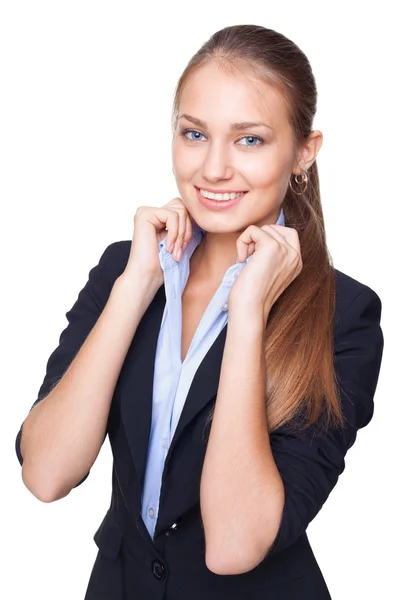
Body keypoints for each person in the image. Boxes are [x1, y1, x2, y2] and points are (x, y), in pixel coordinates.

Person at [15, 24, 384, 600]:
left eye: (250, 140)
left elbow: (235, 545)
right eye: (194, 134)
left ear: (303, 153)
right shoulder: (126, 269)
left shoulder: (344, 316)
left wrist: (248, 312)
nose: (212, 169)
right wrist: (138, 284)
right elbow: (44, 474)